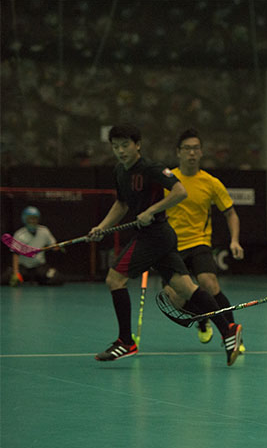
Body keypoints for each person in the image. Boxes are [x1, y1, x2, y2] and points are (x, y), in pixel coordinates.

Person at [88, 124, 242, 365]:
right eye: (115, 146)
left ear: (137, 145)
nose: (120, 151)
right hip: (161, 237)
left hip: (154, 235)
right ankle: (228, 330)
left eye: (125, 145)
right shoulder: (120, 171)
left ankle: (125, 341)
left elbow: (180, 192)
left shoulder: (151, 169)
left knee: (114, 279)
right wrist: (102, 227)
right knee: (185, 288)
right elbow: (121, 205)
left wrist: (152, 210)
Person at [164, 128, 244, 348]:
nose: (191, 153)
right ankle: (202, 319)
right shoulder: (167, 179)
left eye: (196, 149)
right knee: (175, 298)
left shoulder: (211, 182)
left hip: (199, 243)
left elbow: (230, 213)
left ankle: (232, 335)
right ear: (178, 152)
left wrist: (234, 240)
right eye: (187, 149)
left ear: (201, 153)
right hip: (171, 247)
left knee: (209, 283)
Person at [2, 206, 63, 286]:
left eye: (35, 218)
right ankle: (23, 279)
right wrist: (16, 272)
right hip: (23, 267)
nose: (33, 221)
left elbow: (54, 246)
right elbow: (15, 255)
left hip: (39, 267)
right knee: (5, 279)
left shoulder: (44, 231)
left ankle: (39, 281)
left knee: (56, 278)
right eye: (30, 219)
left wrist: (57, 247)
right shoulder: (19, 234)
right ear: (25, 219)